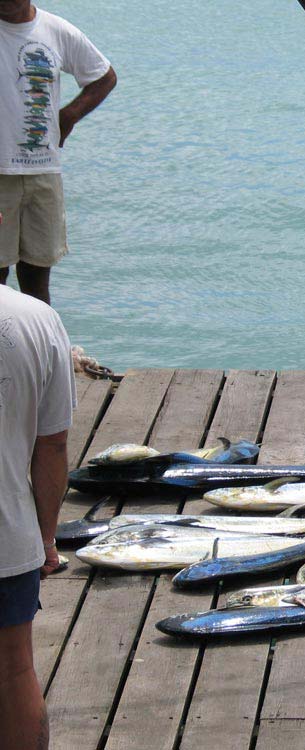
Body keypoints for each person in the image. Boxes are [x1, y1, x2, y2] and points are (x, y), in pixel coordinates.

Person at [0, 0, 116, 304]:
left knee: (37, 281)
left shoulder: (56, 30)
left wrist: (69, 116)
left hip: (43, 173)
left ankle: (39, 349)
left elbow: (104, 77)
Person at [0, 284, 75, 750]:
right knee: (13, 672)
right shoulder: (35, 318)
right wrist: (45, 538)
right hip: (8, 538)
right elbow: (53, 445)